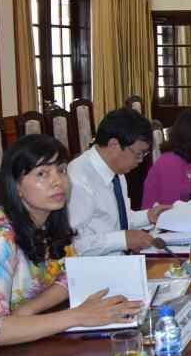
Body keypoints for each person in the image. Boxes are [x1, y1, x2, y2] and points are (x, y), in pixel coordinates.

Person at [0, 135, 143, 348]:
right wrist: (77, 316)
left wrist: (29, 310)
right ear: (16, 186)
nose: (57, 181)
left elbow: (68, 273)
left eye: (61, 170)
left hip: (32, 336)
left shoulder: (50, 218)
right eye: (42, 173)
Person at [68, 108, 172, 256]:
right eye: (138, 153)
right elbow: (73, 246)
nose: (140, 160)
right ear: (114, 145)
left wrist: (148, 216)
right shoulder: (78, 178)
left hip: (120, 263)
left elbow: (117, 220)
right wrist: (123, 240)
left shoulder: (115, 170)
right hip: (94, 271)